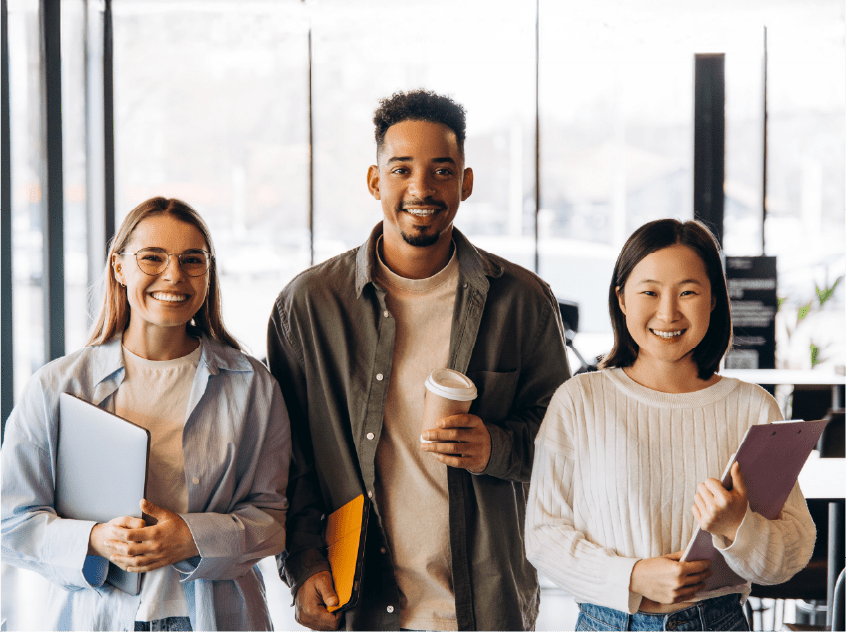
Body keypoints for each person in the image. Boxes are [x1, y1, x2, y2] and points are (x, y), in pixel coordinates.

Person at [267, 89, 570, 631]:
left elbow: (564, 449)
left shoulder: (522, 302)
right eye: (402, 169)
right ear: (374, 180)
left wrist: (492, 447)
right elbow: (288, 463)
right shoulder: (309, 306)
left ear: (466, 182)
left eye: (441, 170)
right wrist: (304, 563)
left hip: (487, 606)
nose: (421, 189)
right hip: (359, 602)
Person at [2, 197, 291, 632]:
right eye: (152, 257)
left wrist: (190, 538)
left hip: (216, 617)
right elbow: (12, 520)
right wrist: (95, 540)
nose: (174, 275)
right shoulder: (56, 387)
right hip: (99, 617)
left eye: (192, 260)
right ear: (119, 267)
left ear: (208, 273)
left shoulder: (252, 386)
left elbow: (272, 517)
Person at [525, 218, 816, 632]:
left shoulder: (754, 407)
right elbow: (542, 535)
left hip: (719, 622)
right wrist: (632, 576)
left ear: (713, 299)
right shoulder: (580, 401)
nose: (668, 312)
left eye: (688, 292)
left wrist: (737, 527)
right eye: (649, 292)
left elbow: (793, 552)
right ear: (622, 298)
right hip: (608, 622)